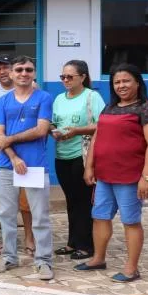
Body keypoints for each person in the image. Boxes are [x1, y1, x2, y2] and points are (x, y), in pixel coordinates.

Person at [75, 63, 148, 283]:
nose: (121, 85)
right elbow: (97, 137)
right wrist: (89, 166)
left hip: (130, 177)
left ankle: (131, 268)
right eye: (117, 82)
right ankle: (98, 258)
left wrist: (147, 177)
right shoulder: (109, 108)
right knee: (99, 217)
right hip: (105, 175)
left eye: (126, 81)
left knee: (130, 221)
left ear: (137, 83)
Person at [0, 56, 55, 280]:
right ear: (11, 73)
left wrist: (10, 140)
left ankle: (43, 260)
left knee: (40, 216)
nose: (24, 73)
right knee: (6, 214)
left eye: (28, 70)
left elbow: (41, 130)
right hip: (8, 165)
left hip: (35, 165)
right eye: (19, 69)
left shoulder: (44, 98)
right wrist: (14, 157)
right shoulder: (3, 102)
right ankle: (9, 257)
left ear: (34, 73)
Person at [0, 55, 35, 256]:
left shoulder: (31, 88)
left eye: (6, 68)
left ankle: (30, 239)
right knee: (5, 203)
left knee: (27, 201)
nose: (2, 72)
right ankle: (8, 243)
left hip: (27, 152)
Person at [51, 60, 105, 260]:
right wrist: (52, 130)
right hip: (61, 155)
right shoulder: (59, 99)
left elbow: (102, 125)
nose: (65, 80)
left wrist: (76, 131)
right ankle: (72, 242)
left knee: (83, 201)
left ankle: (86, 245)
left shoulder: (92, 97)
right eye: (62, 77)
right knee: (71, 200)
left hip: (82, 155)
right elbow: (54, 122)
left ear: (82, 77)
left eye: (70, 76)